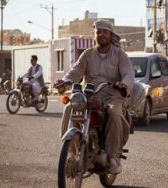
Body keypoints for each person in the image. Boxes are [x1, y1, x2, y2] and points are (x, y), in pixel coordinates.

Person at [55, 20, 134, 175]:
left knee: (115, 113)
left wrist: (124, 84)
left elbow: (128, 74)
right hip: (90, 96)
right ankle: (71, 152)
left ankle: (113, 158)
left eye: (105, 32)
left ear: (111, 35)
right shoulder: (88, 54)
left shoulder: (119, 54)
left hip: (113, 96)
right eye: (98, 32)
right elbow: (75, 72)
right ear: (95, 35)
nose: (101, 34)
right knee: (69, 108)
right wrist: (65, 82)